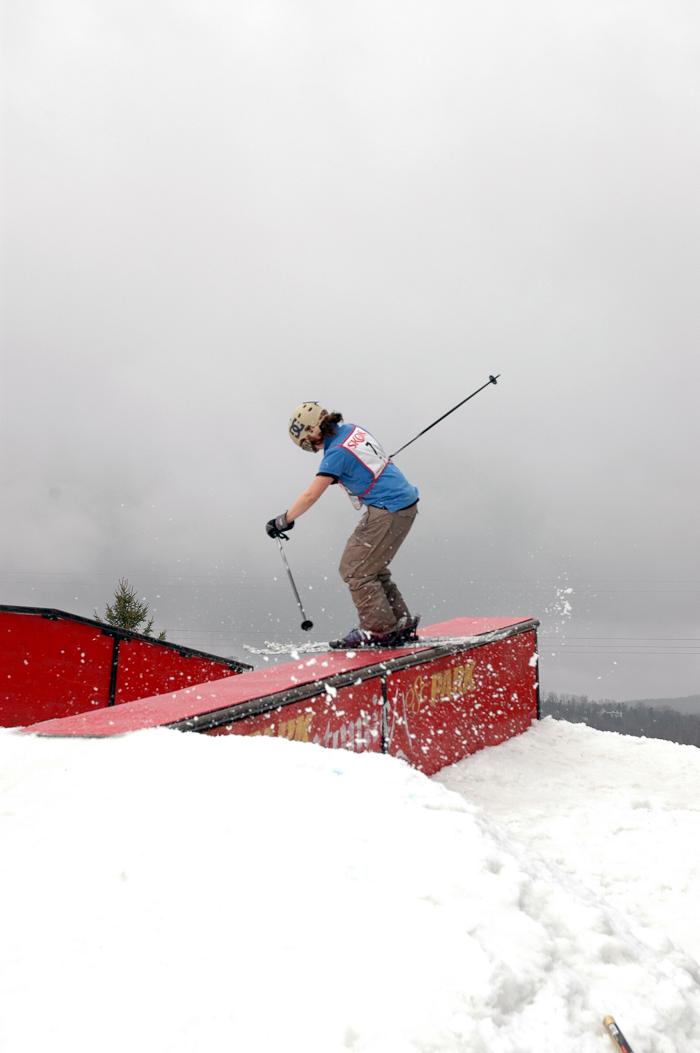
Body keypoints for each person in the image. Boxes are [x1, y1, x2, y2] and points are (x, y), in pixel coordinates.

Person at [266, 402, 420, 649]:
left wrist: (283, 520)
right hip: (401, 505)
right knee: (371, 565)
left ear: (314, 432)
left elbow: (310, 496)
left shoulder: (335, 454)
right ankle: (399, 621)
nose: (312, 448)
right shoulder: (351, 430)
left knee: (354, 568)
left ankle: (378, 629)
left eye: (308, 442)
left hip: (389, 509)